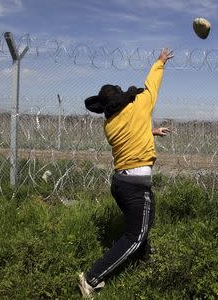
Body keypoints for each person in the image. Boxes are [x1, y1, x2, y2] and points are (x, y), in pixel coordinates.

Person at [79, 48, 174, 298]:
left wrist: (150, 131)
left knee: (139, 223)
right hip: (134, 185)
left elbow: (128, 135)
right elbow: (151, 85)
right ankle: (92, 278)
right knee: (135, 234)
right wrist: (160, 62)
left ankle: (142, 256)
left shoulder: (109, 125)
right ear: (122, 98)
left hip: (120, 182)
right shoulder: (139, 106)